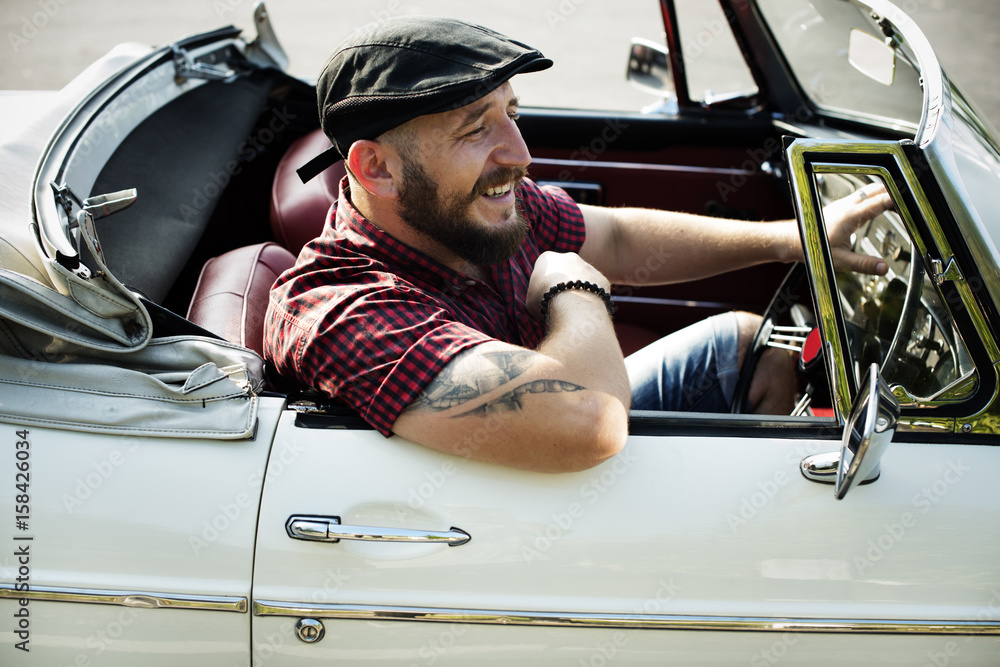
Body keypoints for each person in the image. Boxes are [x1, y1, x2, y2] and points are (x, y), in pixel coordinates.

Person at [264, 16, 892, 473]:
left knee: (746, 346)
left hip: (551, 439)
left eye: (512, 113)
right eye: (475, 130)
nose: (520, 154)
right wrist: (574, 288)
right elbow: (590, 421)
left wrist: (794, 239)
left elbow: (615, 236)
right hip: (509, 506)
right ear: (377, 169)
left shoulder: (470, 212)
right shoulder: (339, 312)